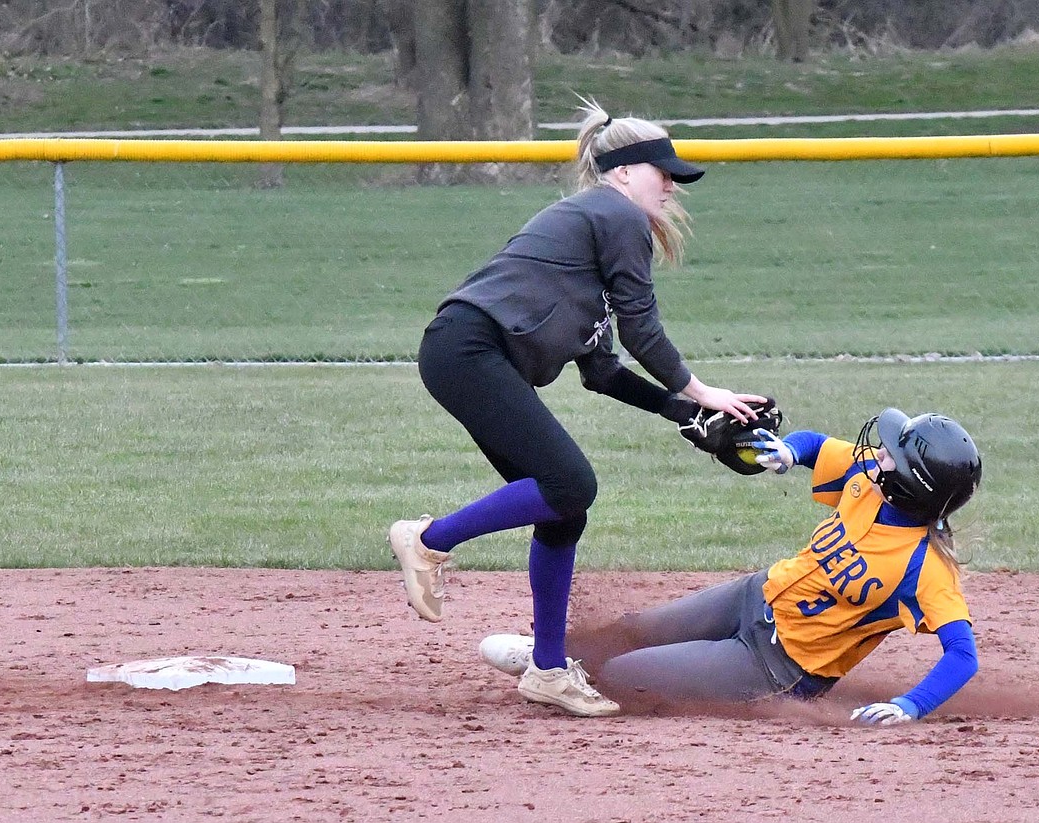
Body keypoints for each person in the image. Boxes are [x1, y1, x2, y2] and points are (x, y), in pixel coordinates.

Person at [388, 99, 767, 718]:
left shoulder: (590, 238)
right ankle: (428, 540)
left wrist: (684, 416)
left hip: (470, 356)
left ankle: (548, 671)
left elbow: (605, 372)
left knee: (563, 510)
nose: (671, 183)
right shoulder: (615, 214)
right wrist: (703, 392)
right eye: (660, 170)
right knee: (571, 482)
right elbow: (643, 330)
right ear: (621, 172)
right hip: (469, 349)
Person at [479, 408, 984, 724]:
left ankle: (574, 673)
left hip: (776, 665)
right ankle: (548, 656)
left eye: (894, 454)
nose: (881, 451)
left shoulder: (923, 568)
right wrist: (787, 451)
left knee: (622, 673)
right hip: (754, 595)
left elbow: (962, 655)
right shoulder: (867, 474)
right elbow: (812, 444)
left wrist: (910, 705)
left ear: (913, 486)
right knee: (635, 630)